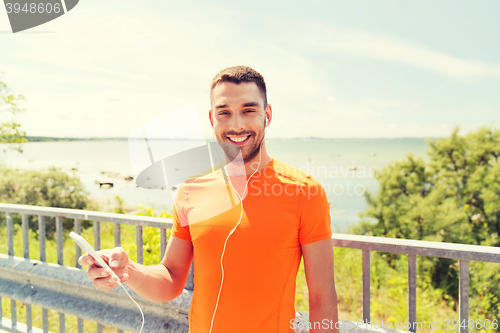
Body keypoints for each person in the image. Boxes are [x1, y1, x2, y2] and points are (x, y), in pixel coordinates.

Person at [79, 66, 339, 333]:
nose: (236, 124)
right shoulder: (190, 190)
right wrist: (128, 270)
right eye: (224, 112)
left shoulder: (304, 191)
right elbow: (171, 279)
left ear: (267, 115)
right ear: (212, 118)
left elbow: (322, 297)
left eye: (249, 110)